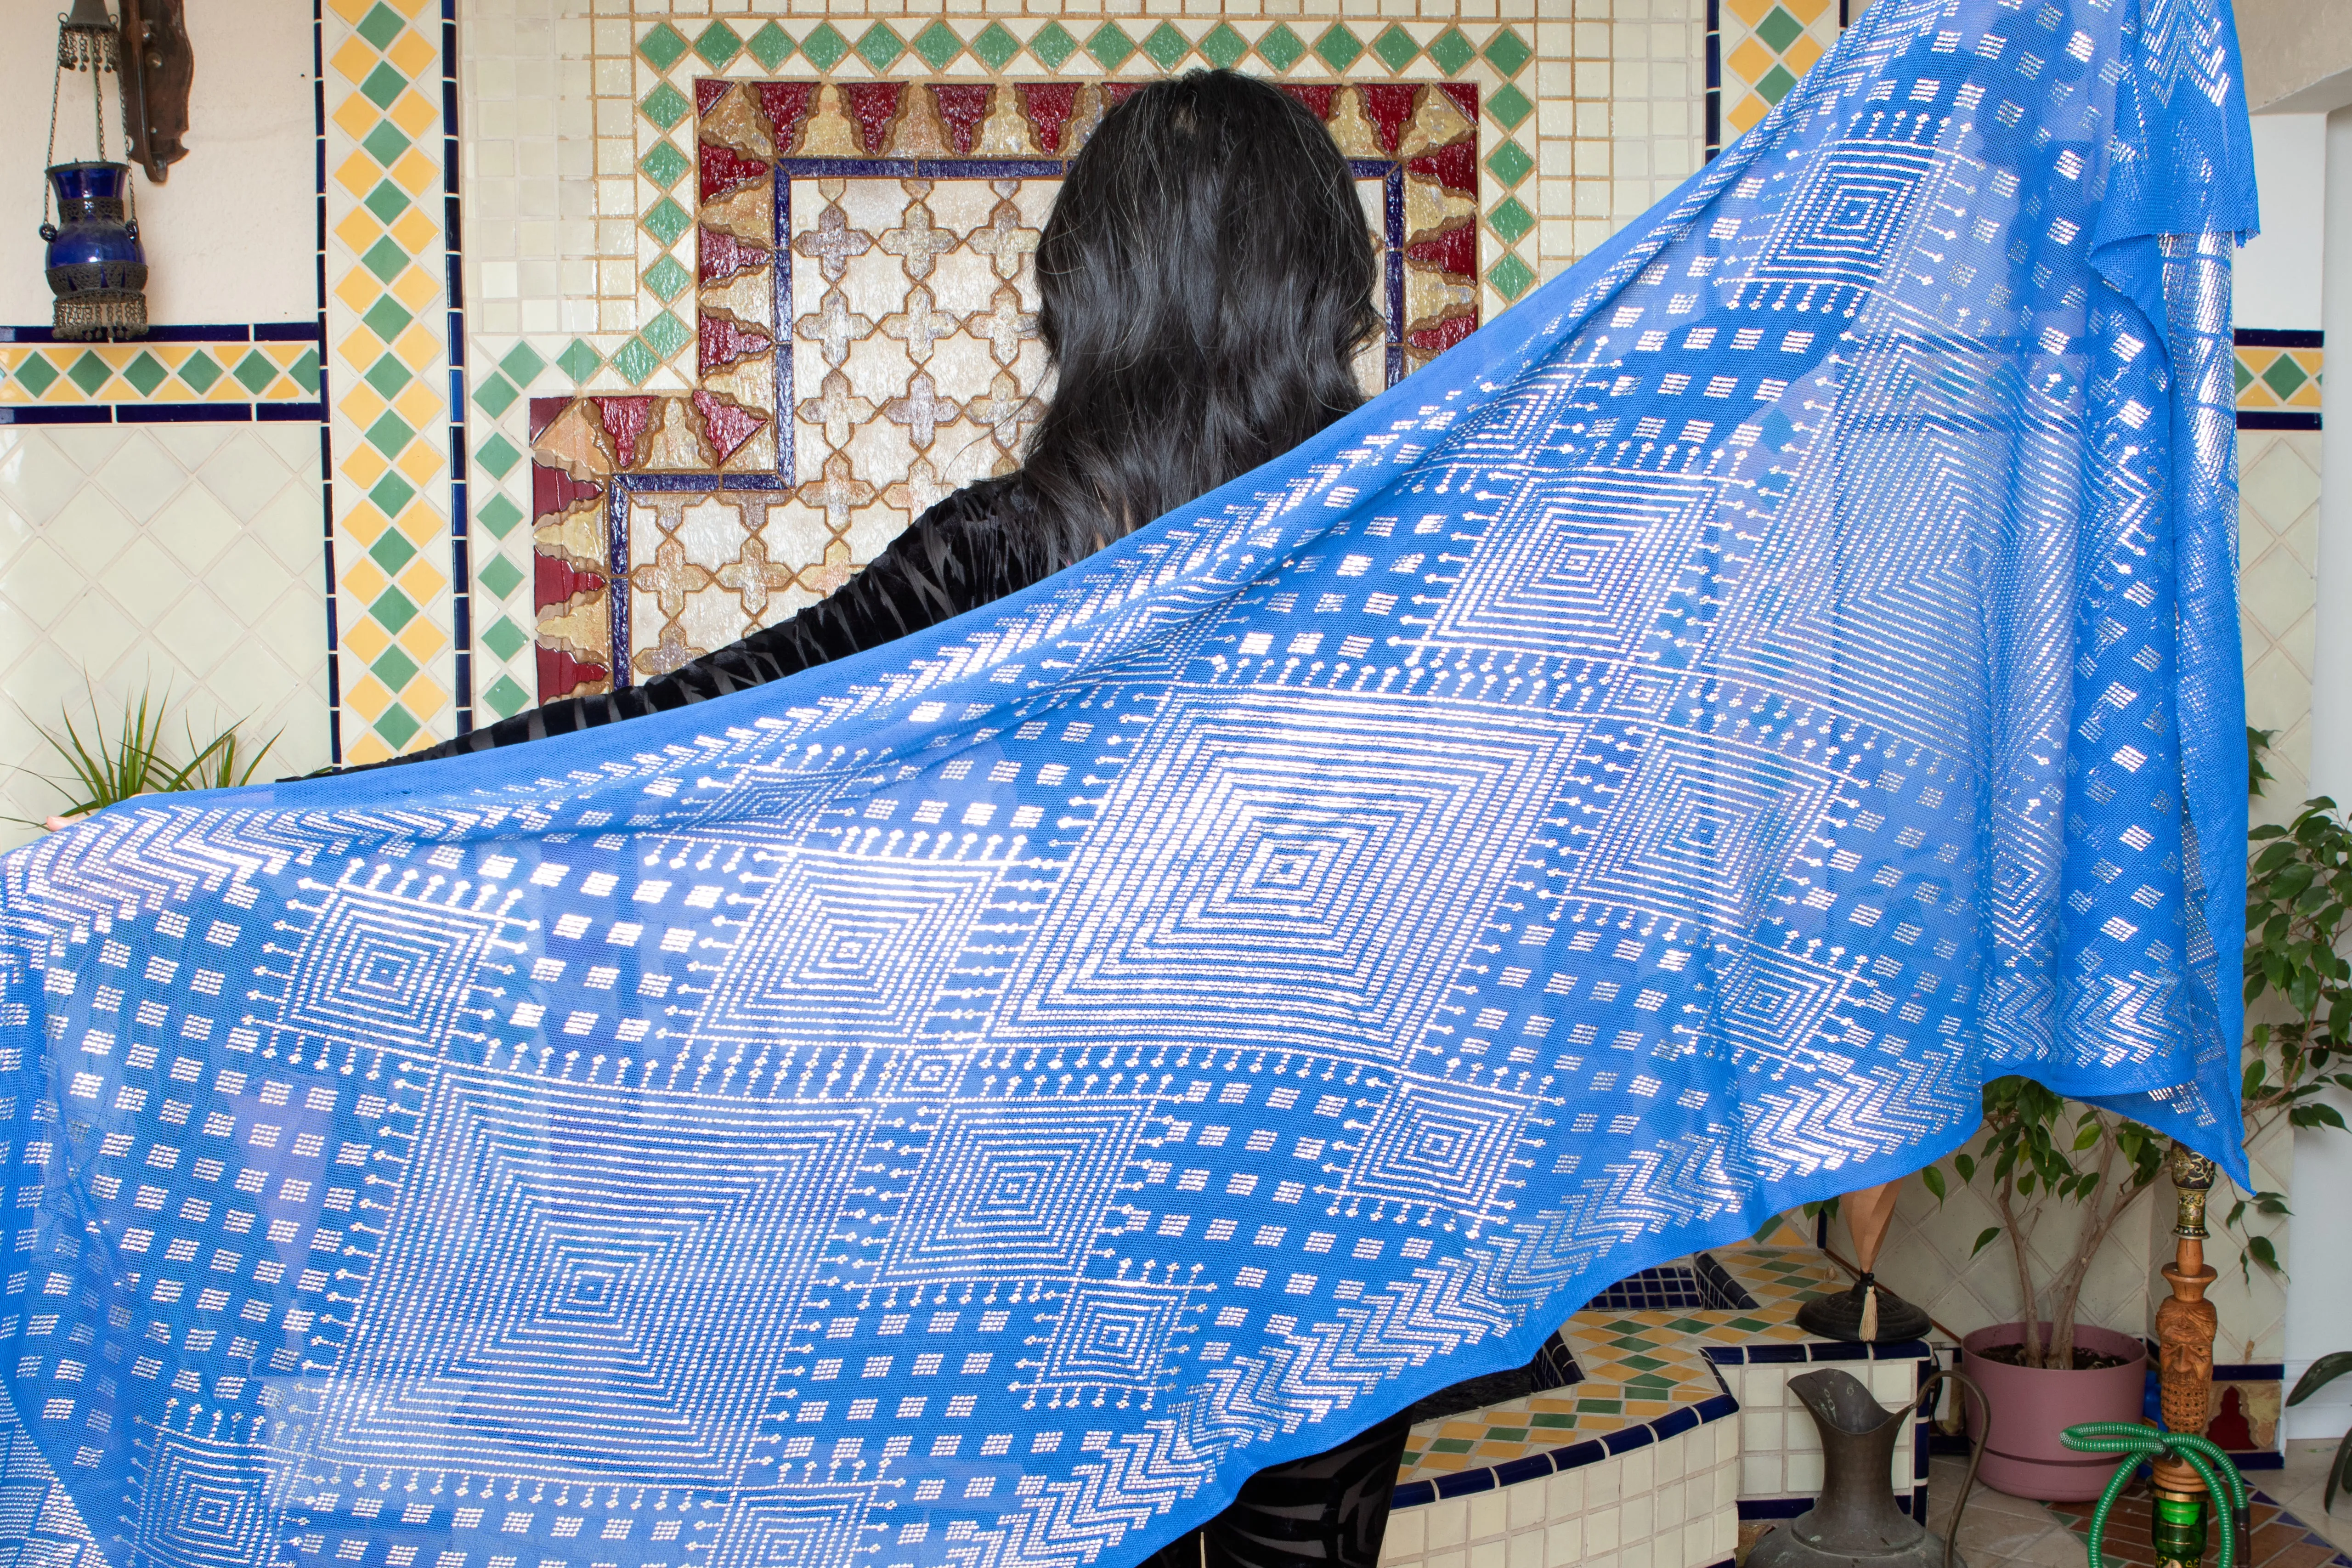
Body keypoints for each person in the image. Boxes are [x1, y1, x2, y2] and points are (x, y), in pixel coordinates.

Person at [385, 69, 1440, 1568]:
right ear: (1329, 297)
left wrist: (303, 819)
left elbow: (676, 735)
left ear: (1086, 305)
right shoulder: (1420, 566)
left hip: (1052, 1199)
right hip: (1332, 1200)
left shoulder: (1006, 564)